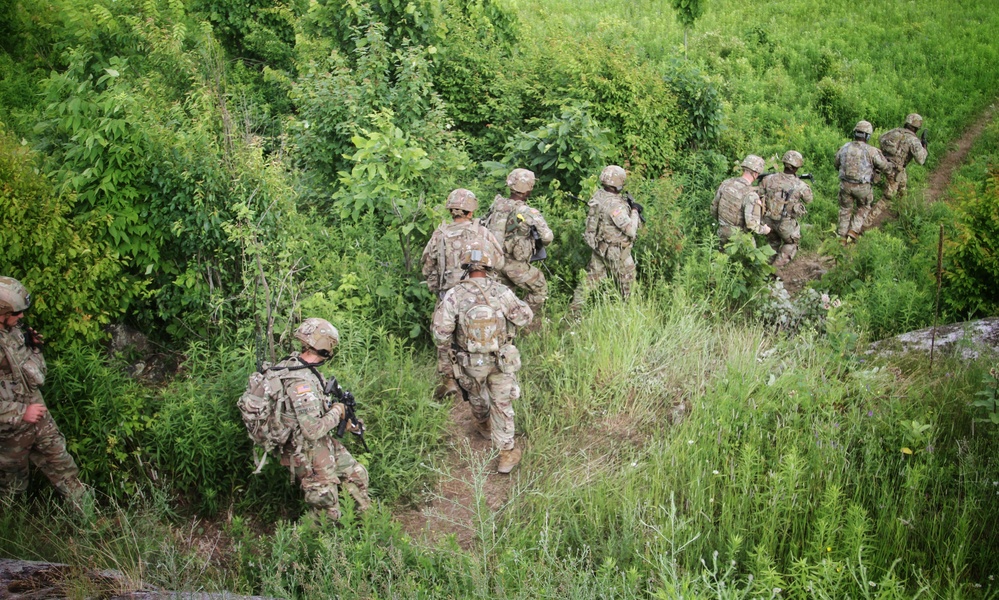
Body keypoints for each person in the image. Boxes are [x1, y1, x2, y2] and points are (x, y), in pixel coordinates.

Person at [431, 245, 533, 474]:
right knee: (502, 403)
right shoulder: (500, 292)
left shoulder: (454, 295)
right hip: (500, 360)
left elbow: (440, 334)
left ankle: (484, 424)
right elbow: (524, 318)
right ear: (489, 267)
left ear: (465, 268)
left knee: (476, 395)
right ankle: (506, 454)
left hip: (470, 362)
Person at [267, 318, 372, 521]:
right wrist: (337, 411)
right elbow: (312, 430)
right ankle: (306, 544)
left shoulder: (302, 367)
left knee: (356, 474)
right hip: (303, 448)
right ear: (326, 346)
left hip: (318, 443)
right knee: (327, 508)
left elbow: (318, 413)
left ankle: (365, 525)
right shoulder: (300, 382)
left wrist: (347, 422)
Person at [0, 277, 87, 505]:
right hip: (9, 432)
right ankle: (15, 534)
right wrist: (21, 412)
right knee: (12, 488)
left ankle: (91, 522)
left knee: (64, 467)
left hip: (38, 418)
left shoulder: (14, 331)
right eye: (16, 313)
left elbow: (32, 374)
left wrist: (35, 349)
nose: (21, 317)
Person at [421, 189, 505, 399]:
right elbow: (499, 261)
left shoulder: (439, 234)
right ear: (471, 210)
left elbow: (427, 265)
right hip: (478, 293)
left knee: (444, 337)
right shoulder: (481, 232)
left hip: (448, 294)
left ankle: (449, 379)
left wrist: (437, 289)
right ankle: (485, 373)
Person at [482, 168, 554, 329]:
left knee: (502, 298)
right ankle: (522, 322)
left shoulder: (497, 205)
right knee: (540, 288)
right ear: (529, 188)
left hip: (492, 261)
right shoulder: (527, 211)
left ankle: (503, 330)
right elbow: (548, 237)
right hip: (513, 264)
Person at [571, 165, 642, 311]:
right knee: (629, 286)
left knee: (589, 282)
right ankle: (630, 313)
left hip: (600, 247)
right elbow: (631, 230)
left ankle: (574, 311)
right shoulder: (615, 205)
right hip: (617, 252)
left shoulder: (598, 196)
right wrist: (634, 211)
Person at [834, 120, 890, 242]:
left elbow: (836, 163)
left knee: (845, 208)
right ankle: (853, 230)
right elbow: (884, 166)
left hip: (845, 185)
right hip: (862, 187)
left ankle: (841, 235)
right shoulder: (871, 151)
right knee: (864, 206)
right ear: (868, 136)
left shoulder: (844, 147)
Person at [759, 150, 814, 267]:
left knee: (772, 242)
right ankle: (775, 269)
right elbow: (809, 200)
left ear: (784, 164)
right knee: (792, 243)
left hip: (767, 221)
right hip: (785, 224)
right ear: (797, 167)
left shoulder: (768, 179)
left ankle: (764, 271)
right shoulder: (800, 185)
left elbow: (759, 194)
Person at [710, 154, 771, 246]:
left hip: (721, 233)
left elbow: (714, 207)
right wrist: (764, 230)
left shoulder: (727, 183)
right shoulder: (751, 195)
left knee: (721, 258)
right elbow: (752, 225)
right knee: (751, 257)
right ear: (755, 174)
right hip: (739, 238)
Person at [879, 113, 928, 200]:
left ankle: (901, 211)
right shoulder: (913, 140)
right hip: (896, 169)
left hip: (884, 163)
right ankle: (871, 214)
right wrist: (924, 146)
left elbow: (881, 139)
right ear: (916, 128)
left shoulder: (893, 131)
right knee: (888, 198)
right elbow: (921, 160)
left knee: (902, 191)